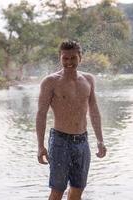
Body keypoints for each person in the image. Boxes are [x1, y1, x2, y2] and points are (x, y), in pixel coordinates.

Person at [36, 40, 107, 200]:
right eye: (65, 58)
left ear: (80, 57)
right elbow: (41, 114)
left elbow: (94, 110)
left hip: (82, 142)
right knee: (57, 192)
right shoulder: (50, 82)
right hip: (60, 141)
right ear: (60, 58)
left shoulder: (88, 80)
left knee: (77, 190)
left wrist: (100, 140)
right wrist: (40, 146)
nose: (69, 62)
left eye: (73, 58)